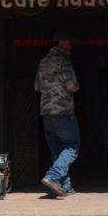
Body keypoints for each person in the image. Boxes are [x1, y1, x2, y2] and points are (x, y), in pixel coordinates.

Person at [34, 30, 80, 198]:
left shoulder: (43, 61)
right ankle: (52, 177)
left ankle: (65, 186)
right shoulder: (64, 60)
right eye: (70, 41)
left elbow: (37, 87)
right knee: (72, 147)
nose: (72, 45)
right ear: (62, 42)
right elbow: (72, 86)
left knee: (57, 151)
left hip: (46, 111)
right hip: (62, 110)